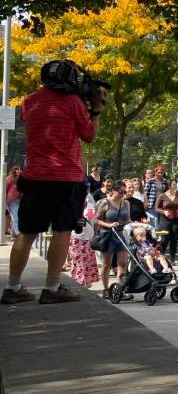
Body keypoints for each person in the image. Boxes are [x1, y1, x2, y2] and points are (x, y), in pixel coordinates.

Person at [3, 63, 104, 305]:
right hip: (65, 178)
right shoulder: (73, 103)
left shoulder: (29, 101)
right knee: (62, 230)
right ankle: (52, 287)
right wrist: (96, 109)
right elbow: (89, 135)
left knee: (26, 233)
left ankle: (13, 287)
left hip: (35, 177)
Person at [95, 183, 131, 292]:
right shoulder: (105, 202)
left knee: (122, 263)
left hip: (122, 235)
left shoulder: (126, 203)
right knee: (107, 264)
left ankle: (120, 289)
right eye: (121, 192)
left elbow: (128, 219)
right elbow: (95, 219)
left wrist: (135, 225)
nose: (123, 194)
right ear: (114, 191)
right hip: (108, 235)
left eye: (125, 192)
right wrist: (108, 225)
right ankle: (106, 289)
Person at [68, 194, 100, 288]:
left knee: (87, 260)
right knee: (79, 260)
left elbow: (90, 218)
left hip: (87, 236)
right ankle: (80, 281)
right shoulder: (72, 200)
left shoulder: (89, 199)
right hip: (76, 237)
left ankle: (85, 281)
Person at [154, 180, 178, 265]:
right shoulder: (162, 196)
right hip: (165, 220)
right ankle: (161, 257)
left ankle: (172, 259)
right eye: (174, 184)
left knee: (174, 239)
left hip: (176, 219)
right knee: (164, 239)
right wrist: (164, 212)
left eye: (176, 184)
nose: (176, 186)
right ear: (169, 185)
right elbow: (156, 208)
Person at [5, 166, 22, 235]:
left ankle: (14, 233)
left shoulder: (21, 180)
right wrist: (5, 203)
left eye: (20, 170)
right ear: (14, 171)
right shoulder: (9, 179)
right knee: (15, 217)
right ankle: (18, 234)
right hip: (12, 201)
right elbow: (4, 190)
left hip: (19, 201)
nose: (19, 171)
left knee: (16, 217)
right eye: (17, 170)